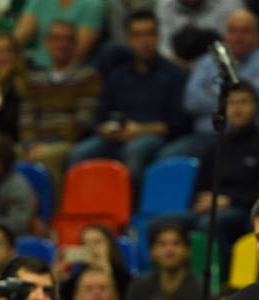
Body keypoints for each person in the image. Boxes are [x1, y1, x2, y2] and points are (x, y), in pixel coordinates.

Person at [67, 9, 188, 186]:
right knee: (79, 153)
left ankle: (129, 210)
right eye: (138, 35)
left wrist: (141, 130)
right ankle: (81, 209)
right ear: (128, 40)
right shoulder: (118, 75)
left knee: (135, 150)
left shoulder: (175, 75)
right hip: (116, 137)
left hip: (152, 138)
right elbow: (101, 115)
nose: (144, 41)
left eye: (150, 34)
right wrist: (105, 129)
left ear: (158, 37)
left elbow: (178, 125)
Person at [159, 8, 259, 159]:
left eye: (245, 31)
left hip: (253, 140)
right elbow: (191, 101)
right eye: (233, 30)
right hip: (207, 137)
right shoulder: (207, 62)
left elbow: (257, 96)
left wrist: (214, 93)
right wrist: (235, 101)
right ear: (224, 34)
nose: (238, 37)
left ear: (258, 35)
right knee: (167, 157)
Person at [191, 81, 259, 274]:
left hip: (247, 209)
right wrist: (202, 199)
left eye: (243, 102)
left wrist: (228, 200)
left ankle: (223, 280)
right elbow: (200, 185)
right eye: (232, 103)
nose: (237, 108)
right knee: (170, 223)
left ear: (255, 107)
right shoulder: (217, 144)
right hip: (216, 207)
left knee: (212, 223)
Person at [19, 20, 101, 202]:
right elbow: (27, 116)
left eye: (67, 40)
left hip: (66, 142)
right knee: (9, 156)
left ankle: (51, 215)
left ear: (74, 45)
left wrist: (48, 143)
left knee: (46, 156)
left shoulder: (88, 77)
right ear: (46, 44)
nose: (61, 44)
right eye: (56, 39)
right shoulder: (34, 79)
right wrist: (29, 143)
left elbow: (83, 119)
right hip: (35, 142)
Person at [124, 221, 204, 300]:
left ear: (188, 251)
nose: (169, 249)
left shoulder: (200, 287)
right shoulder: (138, 286)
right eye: (162, 244)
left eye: (176, 243)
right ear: (151, 251)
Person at [14, 0, 104, 68]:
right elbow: (18, 38)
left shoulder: (93, 4)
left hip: (72, 74)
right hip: (36, 68)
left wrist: (57, 77)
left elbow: (79, 53)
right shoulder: (38, 1)